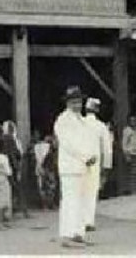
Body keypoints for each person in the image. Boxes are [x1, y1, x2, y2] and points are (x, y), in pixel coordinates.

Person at [54, 85, 96, 248]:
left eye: (79, 102)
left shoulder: (80, 119)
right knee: (70, 201)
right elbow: (69, 144)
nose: (77, 105)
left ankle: (78, 233)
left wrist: (91, 155)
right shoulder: (63, 120)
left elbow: (85, 140)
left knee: (81, 201)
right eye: (74, 102)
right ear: (67, 103)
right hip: (70, 167)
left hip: (82, 167)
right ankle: (67, 235)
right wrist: (85, 156)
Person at [83, 98, 113, 232]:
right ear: (97, 110)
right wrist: (107, 167)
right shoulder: (101, 126)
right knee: (91, 191)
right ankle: (89, 221)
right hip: (94, 163)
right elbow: (107, 149)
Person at [122, 116, 136, 194]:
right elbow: (124, 143)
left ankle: (135, 188)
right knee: (130, 172)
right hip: (130, 153)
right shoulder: (127, 130)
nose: (133, 122)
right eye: (131, 121)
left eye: (134, 121)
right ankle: (130, 189)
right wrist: (126, 154)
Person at [33, 131, 51, 209]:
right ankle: (48, 204)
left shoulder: (36, 147)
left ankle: (44, 205)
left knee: (41, 186)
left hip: (39, 167)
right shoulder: (48, 146)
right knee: (48, 186)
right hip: (47, 168)